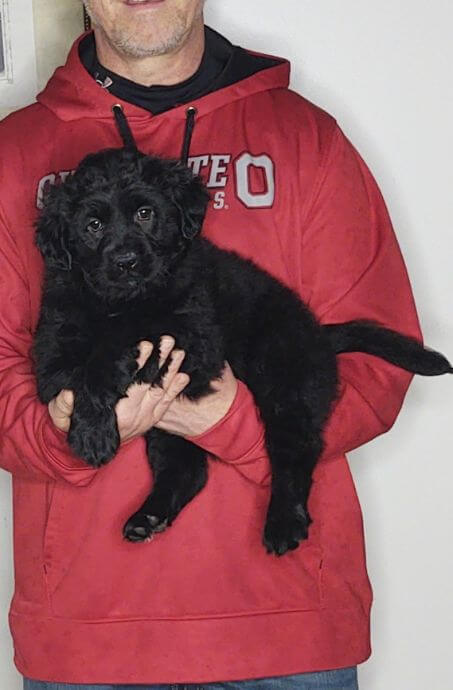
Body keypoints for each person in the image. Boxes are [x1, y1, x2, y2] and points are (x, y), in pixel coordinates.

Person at [0, 1, 422, 688]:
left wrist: (235, 426)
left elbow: (373, 361)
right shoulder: (14, 154)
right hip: (89, 639)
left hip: (285, 632)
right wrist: (66, 429)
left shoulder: (305, 139)